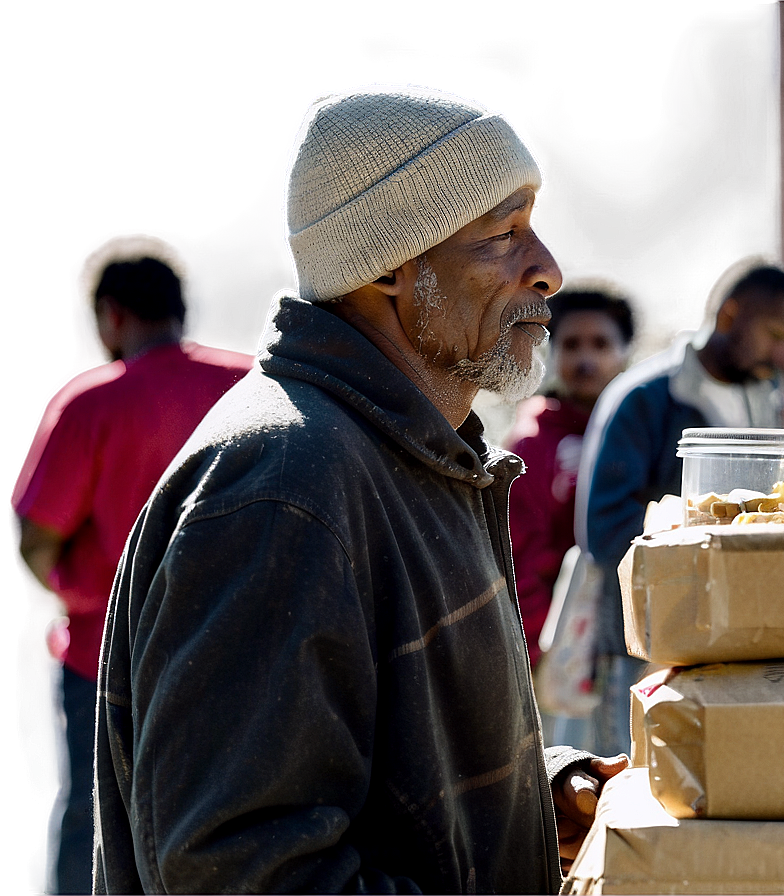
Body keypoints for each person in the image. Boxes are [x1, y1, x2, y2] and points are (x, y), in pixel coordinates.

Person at [92, 84, 629, 895]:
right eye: (502, 236)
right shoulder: (282, 489)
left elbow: (374, 764)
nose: (548, 268)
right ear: (386, 269)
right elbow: (241, 869)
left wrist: (527, 806)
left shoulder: (403, 450)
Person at [11, 234, 254, 894]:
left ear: (111, 315)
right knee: (227, 816)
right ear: (181, 310)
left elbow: (34, 536)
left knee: (95, 820)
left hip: (104, 658)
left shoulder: (93, 404)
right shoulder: (251, 390)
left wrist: (70, 591)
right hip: (232, 649)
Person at [574, 251, 784, 758]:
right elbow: (605, 529)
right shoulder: (641, 398)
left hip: (734, 639)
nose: (783, 354)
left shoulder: (766, 399)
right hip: (647, 644)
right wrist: (706, 551)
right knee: (633, 781)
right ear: (729, 315)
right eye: (774, 333)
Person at [502, 272, 641, 668]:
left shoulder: (646, 434)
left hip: (639, 640)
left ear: (624, 353)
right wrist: (542, 655)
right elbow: (519, 558)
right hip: (561, 651)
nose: (585, 359)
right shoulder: (532, 443)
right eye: (571, 344)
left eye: (600, 344)